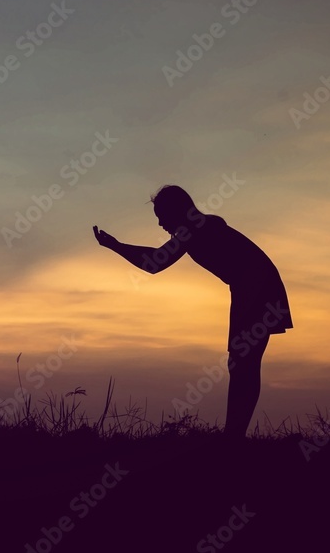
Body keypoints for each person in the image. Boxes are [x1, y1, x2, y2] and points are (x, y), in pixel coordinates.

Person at [92, 185, 292, 439]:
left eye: (161, 217)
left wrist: (116, 246)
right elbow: (157, 260)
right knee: (242, 362)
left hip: (257, 288)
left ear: (175, 211)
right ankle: (234, 435)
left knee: (244, 362)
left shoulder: (196, 228)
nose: (160, 224)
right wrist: (117, 246)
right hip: (252, 288)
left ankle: (233, 437)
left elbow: (155, 262)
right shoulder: (199, 227)